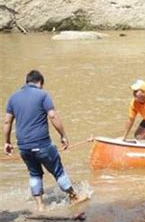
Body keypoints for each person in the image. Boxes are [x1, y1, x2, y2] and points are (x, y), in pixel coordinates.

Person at [3, 70, 87, 211]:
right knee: (58, 171)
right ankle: (74, 197)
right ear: (40, 82)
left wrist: (7, 142)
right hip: (42, 144)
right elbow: (53, 116)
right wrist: (63, 135)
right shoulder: (42, 95)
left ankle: (40, 206)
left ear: (27, 82)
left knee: (34, 174)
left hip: (24, 147)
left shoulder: (13, 98)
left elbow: (7, 122)